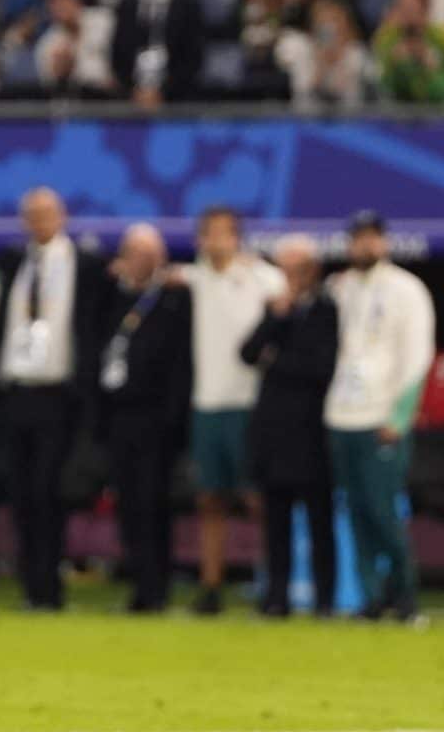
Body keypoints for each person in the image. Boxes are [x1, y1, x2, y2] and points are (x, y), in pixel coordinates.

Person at [0, 187, 110, 610]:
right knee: (20, 496)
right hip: (16, 391)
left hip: (59, 395)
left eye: (47, 213)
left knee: (50, 493)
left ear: (62, 216)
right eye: (32, 214)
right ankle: (29, 588)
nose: (40, 221)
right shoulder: (12, 264)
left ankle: (51, 589)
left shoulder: (86, 266)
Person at [324, 211, 435, 621]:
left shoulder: (407, 289)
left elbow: (417, 356)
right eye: (357, 239)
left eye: (371, 238)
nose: (364, 246)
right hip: (342, 416)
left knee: (383, 510)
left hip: (382, 418)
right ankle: (370, 597)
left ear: (384, 242)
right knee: (355, 512)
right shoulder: (339, 288)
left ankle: (405, 597)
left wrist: (400, 415)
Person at [177, 207, 286, 615]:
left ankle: (272, 583)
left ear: (237, 237)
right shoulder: (193, 278)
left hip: (249, 405)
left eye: (224, 233)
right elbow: (156, 275)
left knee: (257, 499)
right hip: (207, 404)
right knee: (209, 499)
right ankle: (210, 587)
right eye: (209, 233)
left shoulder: (265, 279)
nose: (216, 241)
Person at [240, 235, 338, 619]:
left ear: (312, 269)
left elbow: (320, 367)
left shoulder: (327, 309)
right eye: (285, 269)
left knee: (319, 519)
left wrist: (276, 363)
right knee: (275, 519)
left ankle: (324, 600)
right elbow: (247, 353)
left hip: (312, 431)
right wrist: (276, 318)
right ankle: (275, 597)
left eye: (297, 268)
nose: (291, 277)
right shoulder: (277, 310)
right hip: (272, 430)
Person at [96, 224, 192, 614]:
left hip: (157, 419)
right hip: (120, 416)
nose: (143, 261)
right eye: (135, 253)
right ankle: (138, 584)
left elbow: (181, 364)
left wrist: (174, 419)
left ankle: (158, 588)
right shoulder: (113, 299)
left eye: (151, 254)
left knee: (155, 503)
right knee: (129, 503)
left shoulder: (173, 298)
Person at [111, 0, 205, 109]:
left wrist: (164, 92)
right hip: (131, 97)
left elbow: (193, 57)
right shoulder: (126, 5)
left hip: (177, 99)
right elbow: (117, 54)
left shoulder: (188, 5)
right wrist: (134, 91)